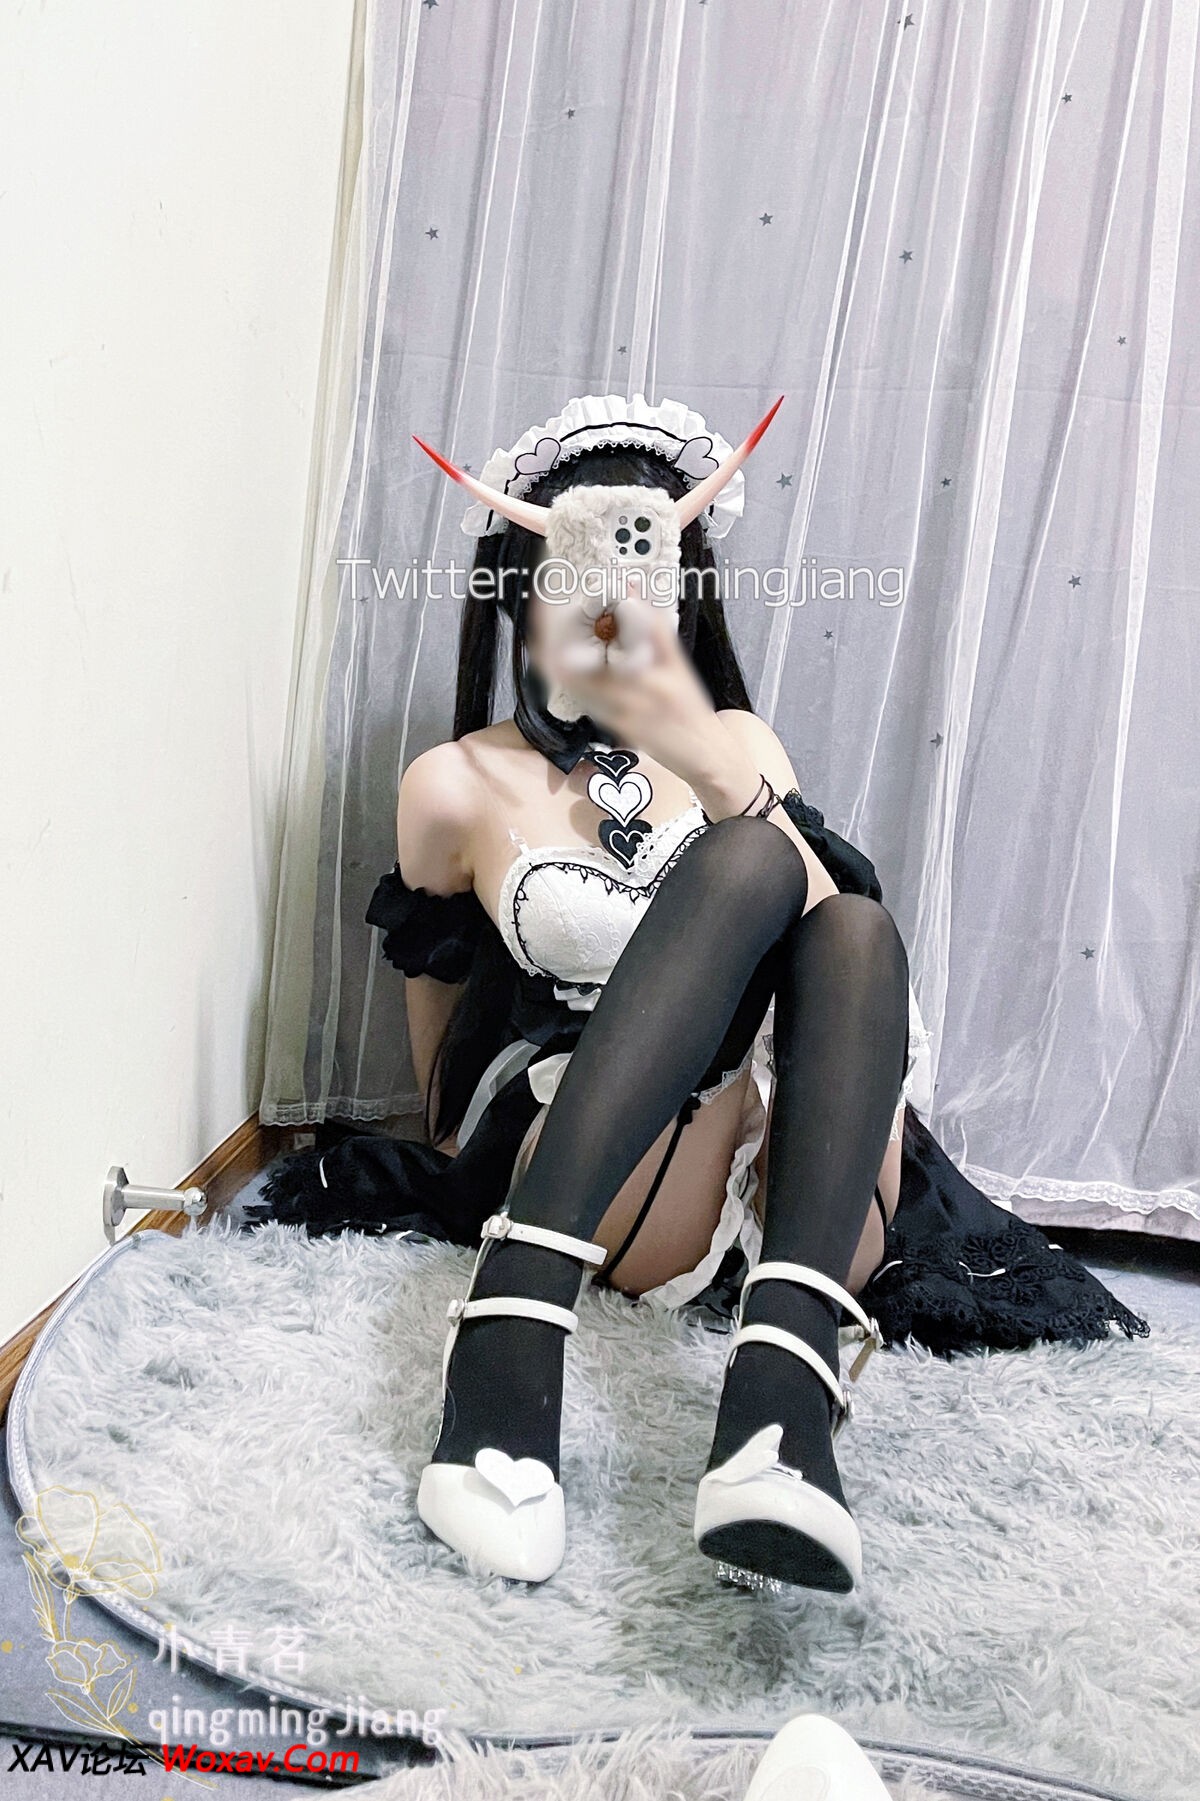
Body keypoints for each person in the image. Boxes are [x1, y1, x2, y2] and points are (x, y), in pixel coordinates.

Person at [251, 393, 1147, 1595]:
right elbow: (440, 1034)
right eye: (578, 576)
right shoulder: (454, 784)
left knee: (840, 911)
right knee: (754, 860)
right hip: (606, 1165)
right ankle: (515, 1328)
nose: (614, 610)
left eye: (646, 578)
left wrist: (704, 754)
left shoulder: (741, 741)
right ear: (521, 589)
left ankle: (777, 1396)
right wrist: (458, 1151)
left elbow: (835, 944)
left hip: (794, 1179)